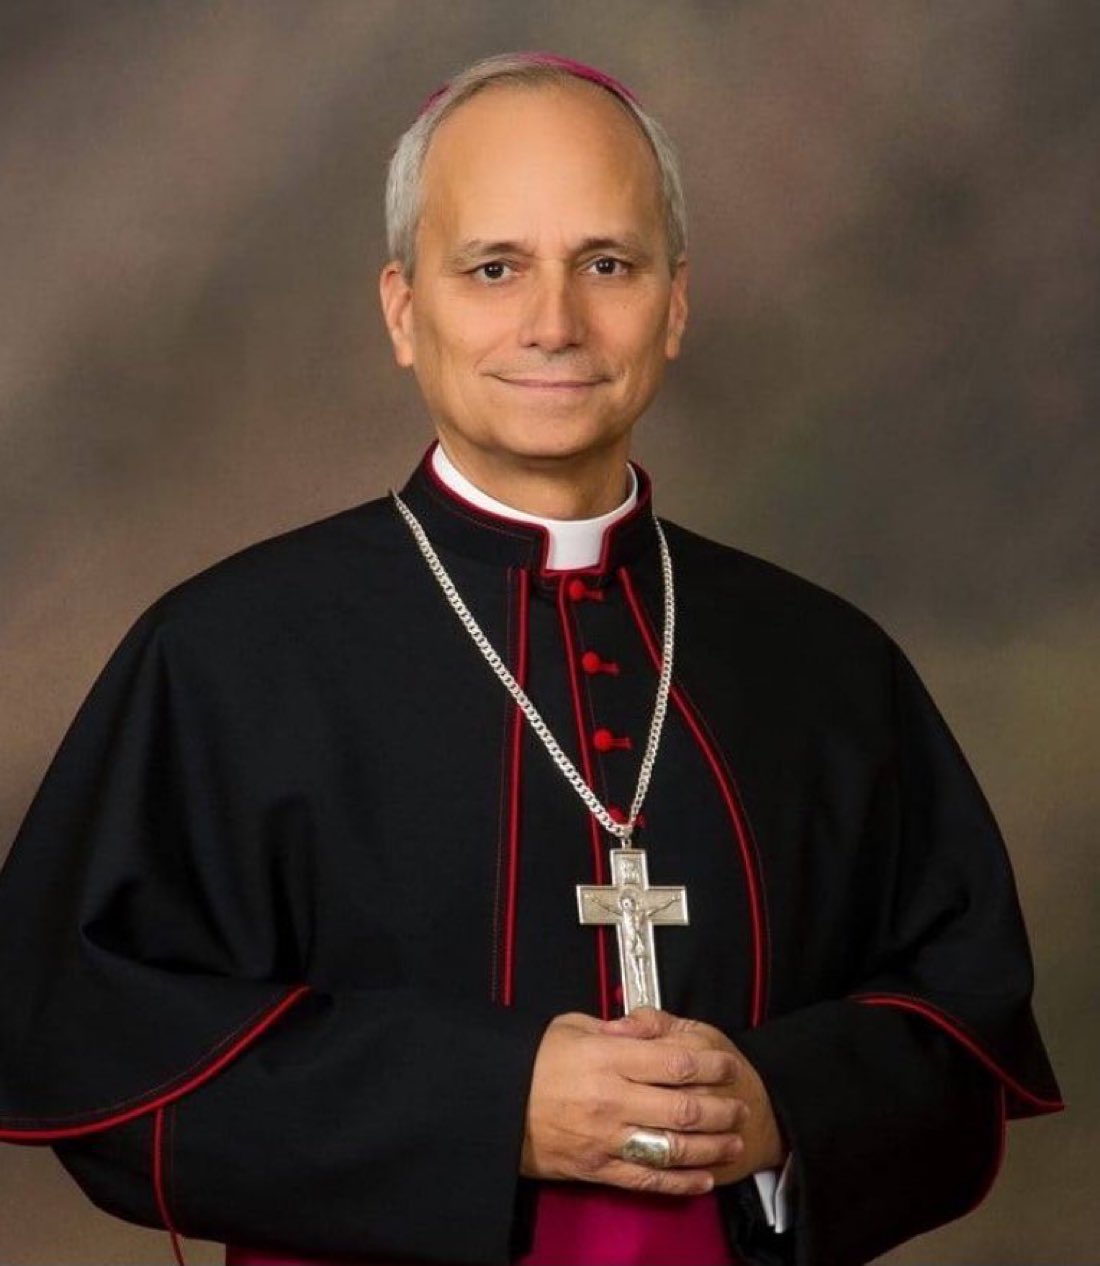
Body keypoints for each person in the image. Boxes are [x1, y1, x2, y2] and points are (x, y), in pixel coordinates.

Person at [0, 51, 1061, 1266]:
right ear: (404, 311)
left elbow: (960, 1029)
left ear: (674, 305)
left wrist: (778, 1107)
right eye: (493, 268)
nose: (553, 324)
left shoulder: (825, 664)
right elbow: (94, 1050)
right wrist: (491, 1104)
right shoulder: (227, 657)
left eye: (606, 265)